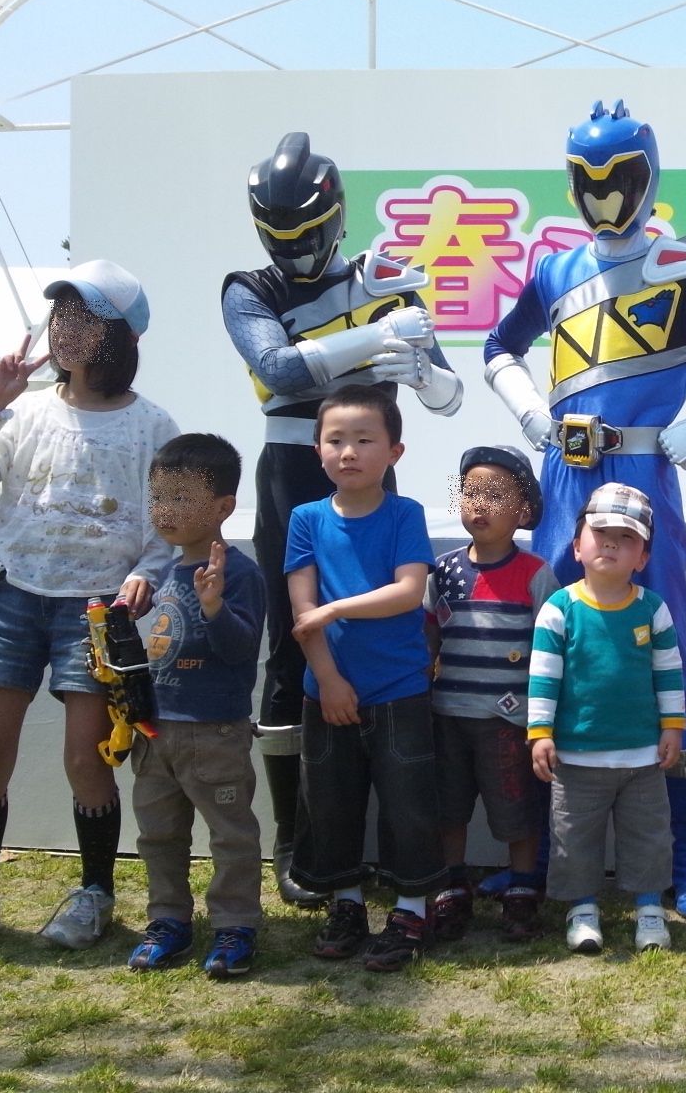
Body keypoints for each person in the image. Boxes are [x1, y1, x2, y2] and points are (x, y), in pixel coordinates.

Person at [483, 100, 686, 921]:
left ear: (648, 178)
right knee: (556, 642)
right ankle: (553, 851)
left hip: (642, 477)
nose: (603, 195)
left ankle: (685, 855)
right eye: (587, 180)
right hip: (564, 477)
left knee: (666, 652)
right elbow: (498, 347)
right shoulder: (555, 272)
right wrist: (532, 416)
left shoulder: (683, 271)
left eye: (619, 178)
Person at [223, 131, 462, 909]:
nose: (294, 249)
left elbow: (447, 393)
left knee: (385, 632)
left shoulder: (387, 277)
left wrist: (420, 370)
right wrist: (377, 337)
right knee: (289, 648)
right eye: (278, 234)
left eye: (307, 232)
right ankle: (297, 840)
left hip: (374, 478)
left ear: (333, 218)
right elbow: (276, 369)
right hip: (292, 472)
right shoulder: (249, 288)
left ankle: (391, 846)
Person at [0, 261, 178, 955]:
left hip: (96, 609)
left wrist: (145, 576)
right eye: (60, 316)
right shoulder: (28, 410)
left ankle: (95, 892)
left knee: (84, 757)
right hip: (14, 592)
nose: (65, 331)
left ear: (122, 336)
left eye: (85, 319)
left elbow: (165, 526)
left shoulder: (152, 425)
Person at [284, 384, 444, 971]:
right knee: (331, 804)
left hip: (399, 689)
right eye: (335, 440)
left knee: (409, 804)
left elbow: (408, 592)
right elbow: (302, 613)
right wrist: (327, 680)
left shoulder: (405, 514)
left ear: (394, 452)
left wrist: (335, 609)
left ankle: (410, 909)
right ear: (317, 451)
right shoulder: (305, 519)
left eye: (364, 440)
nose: (348, 451)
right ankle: (346, 903)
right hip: (326, 691)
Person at [126, 434, 267, 978]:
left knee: (231, 834)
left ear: (224, 507)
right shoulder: (160, 571)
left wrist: (214, 606)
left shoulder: (240, 573)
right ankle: (168, 920)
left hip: (215, 733)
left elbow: (241, 650)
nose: (165, 510)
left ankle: (235, 925)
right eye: (158, 497)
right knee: (158, 833)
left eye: (182, 498)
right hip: (155, 731)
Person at [527, 483, 684, 954]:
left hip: (643, 759)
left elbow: (669, 672)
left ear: (643, 557)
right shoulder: (559, 609)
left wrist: (672, 727)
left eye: (626, 537)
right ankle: (582, 910)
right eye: (601, 534)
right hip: (575, 759)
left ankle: (650, 910)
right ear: (577, 546)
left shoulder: (653, 609)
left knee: (649, 838)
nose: (611, 544)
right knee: (574, 839)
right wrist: (540, 734)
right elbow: (543, 676)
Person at [427, 445, 557, 942]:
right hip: (447, 715)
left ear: (523, 512)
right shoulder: (442, 571)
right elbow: (428, 639)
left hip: (509, 723)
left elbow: (551, 650)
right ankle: (451, 889)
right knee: (448, 809)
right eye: (471, 493)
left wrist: (544, 718)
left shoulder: (537, 574)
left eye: (496, 495)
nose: (479, 504)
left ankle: (523, 892)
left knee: (516, 811)